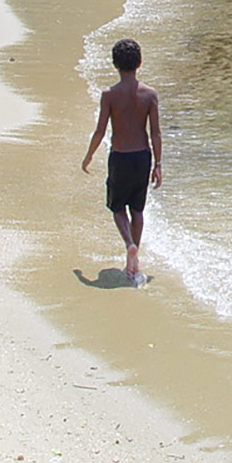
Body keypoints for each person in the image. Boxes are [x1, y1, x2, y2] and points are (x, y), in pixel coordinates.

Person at [81, 38, 163, 283]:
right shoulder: (150, 94)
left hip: (120, 157)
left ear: (115, 64)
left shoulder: (109, 95)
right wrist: (158, 164)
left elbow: (100, 130)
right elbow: (155, 133)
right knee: (137, 210)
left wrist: (89, 155)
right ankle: (133, 260)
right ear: (140, 62)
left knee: (118, 208)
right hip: (143, 156)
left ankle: (129, 244)